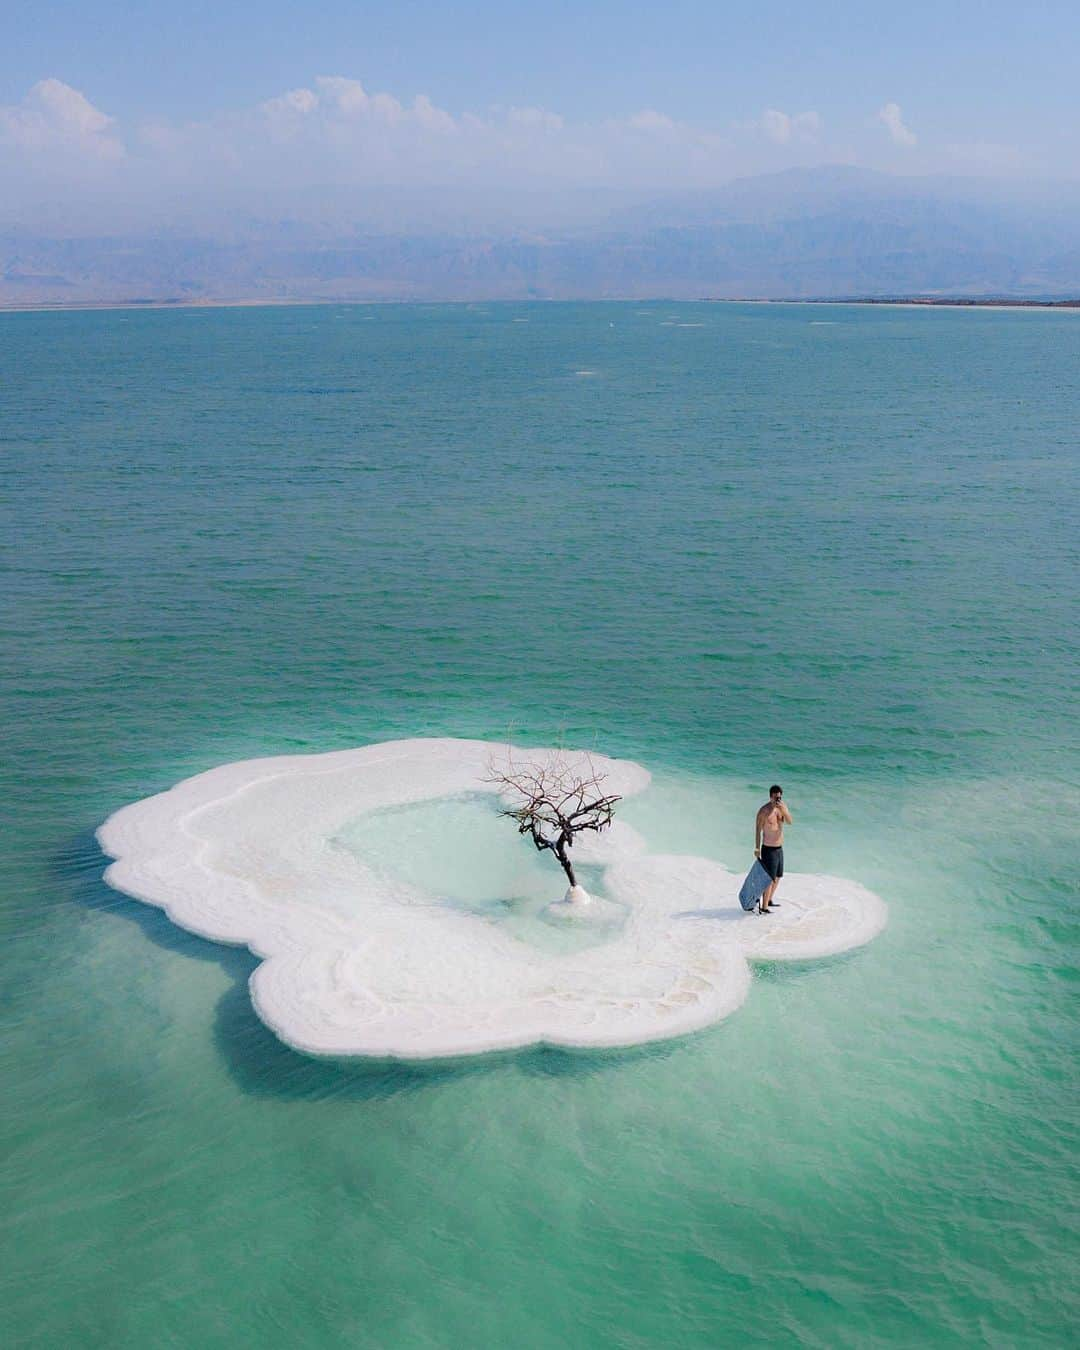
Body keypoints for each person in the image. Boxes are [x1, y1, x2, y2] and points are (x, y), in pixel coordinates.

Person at [754, 785, 792, 915]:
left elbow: (790, 821)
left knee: (778, 876)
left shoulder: (782, 808)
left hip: (779, 848)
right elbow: (758, 830)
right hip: (768, 849)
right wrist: (757, 848)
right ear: (770, 797)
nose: (778, 800)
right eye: (776, 798)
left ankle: (769, 900)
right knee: (769, 878)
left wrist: (784, 811)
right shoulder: (763, 811)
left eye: (780, 797)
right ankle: (764, 907)